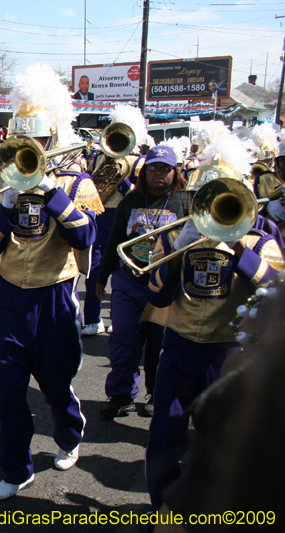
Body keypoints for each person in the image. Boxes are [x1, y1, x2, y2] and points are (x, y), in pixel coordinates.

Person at [0, 64, 103, 500]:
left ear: (54, 140)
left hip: (55, 294)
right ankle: (16, 469)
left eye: (42, 142)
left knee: (55, 383)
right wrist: (6, 206)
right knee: (11, 391)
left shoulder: (75, 180)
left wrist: (52, 193)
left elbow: (85, 236)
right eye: (25, 142)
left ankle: (69, 434)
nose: (33, 149)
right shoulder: (0, 182)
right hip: (11, 295)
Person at [144, 134, 284, 511]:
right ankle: (163, 510)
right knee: (163, 439)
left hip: (228, 353)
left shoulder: (260, 241)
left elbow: (276, 292)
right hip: (178, 346)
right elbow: (156, 296)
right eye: (204, 197)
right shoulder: (176, 235)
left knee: (221, 444)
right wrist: (176, 252)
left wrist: (236, 242)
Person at [95, 146, 188, 419]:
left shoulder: (185, 202)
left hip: (166, 287)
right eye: (153, 168)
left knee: (161, 344)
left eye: (165, 168)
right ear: (144, 171)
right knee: (123, 340)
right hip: (129, 282)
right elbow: (114, 242)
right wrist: (103, 277)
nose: (158, 173)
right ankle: (121, 395)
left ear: (175, 172)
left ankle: (158, 394)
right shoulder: (130, 201)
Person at [82, 104, 148, 336]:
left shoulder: (139, 162)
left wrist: (122, 181)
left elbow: (142, 195)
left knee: (125, 271)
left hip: (128, 218)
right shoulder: (97, 158)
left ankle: (121, 318)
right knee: (95, 270)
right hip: (100, 215)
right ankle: (92, 319)